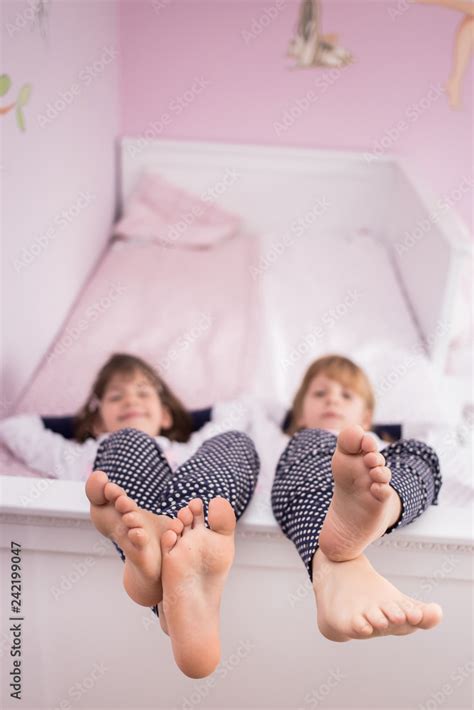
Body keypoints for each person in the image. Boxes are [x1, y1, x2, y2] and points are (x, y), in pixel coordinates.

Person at [271, 354, 443, 641]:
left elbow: (432, 434)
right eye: (320, 393)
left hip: (380, 471)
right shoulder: (290, 439)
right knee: (313, 440)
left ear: (366, 418)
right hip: (315, 473)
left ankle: (385, 508)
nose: (332, 400)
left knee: (420, 451)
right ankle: (340, 565)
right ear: (299, 413)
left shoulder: (381, 445)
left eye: (346, 395)